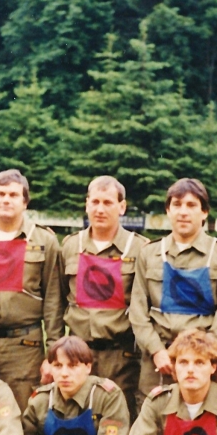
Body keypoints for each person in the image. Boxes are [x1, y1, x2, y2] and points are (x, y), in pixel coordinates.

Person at [0, 169, 64, 415]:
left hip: (24, 347)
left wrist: (53, 354)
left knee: (22, 419)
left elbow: (53, 300)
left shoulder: (45, 240)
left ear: (25, 202)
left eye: (14, 195)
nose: (6, 199)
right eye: (1, 194)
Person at [129, 178, 217, 401]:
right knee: (155, 420)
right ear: (168, 211)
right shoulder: (149, 253)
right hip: (158, 360)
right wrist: (157, 351)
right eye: (177, 205)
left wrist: (204, 354)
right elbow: (138, 310)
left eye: (191, 205)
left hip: (202, 359)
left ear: (204, 212)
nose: (183, 212)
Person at [59, 176, 149, 414]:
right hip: (77, 353)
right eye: (95, 202)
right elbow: (57, 301)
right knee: (77, 422)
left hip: (122, 356)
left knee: (119, 422)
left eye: (108, 203)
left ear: (122, 207)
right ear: (87, 204)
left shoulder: (141, 249)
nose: (100, 209)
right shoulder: (70, 246)